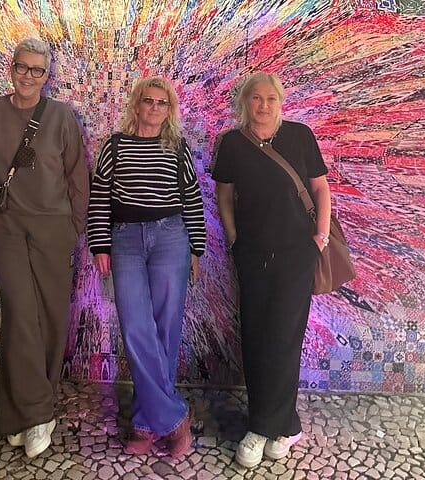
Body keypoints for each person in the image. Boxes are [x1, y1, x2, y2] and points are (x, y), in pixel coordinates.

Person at [0, 38, 89, 458]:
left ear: (46, 75)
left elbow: (77, 176)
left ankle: (21, 413)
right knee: (21, 314)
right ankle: (37, 414)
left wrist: (73, 227)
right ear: (11, 67)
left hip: (53, 229)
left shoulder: (61, 116)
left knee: (51, 318)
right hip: (6, 229)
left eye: (37, 70)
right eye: (23, 67)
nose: (29, 76)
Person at [211, 72, 332, 468]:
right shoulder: (232, 143)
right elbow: (224, 195)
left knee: (282, 338)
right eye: (256, 98)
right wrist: (234, 239)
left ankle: (261, 428)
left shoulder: (299, 136)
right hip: (252, 255)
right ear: (245, 102)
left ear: (281, 102)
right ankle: (286, 424)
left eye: (270, 98)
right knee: (255, 337)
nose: (263, 105)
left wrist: (319, 238)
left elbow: (320, 188)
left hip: (297, 255)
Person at [87, 77, 206, 459]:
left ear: (169, 110)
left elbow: (192, 198)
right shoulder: (115, 146)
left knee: (166, 330)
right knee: (137, 328)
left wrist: (197, 249)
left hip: (171, 238)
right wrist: (99, 243)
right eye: (148, 101)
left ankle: (144, 423)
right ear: (136, 105)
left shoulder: (177, 148)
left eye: (161, 102)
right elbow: (100, 196)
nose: (154, 108)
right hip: (125, 241)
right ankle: (174, 418)